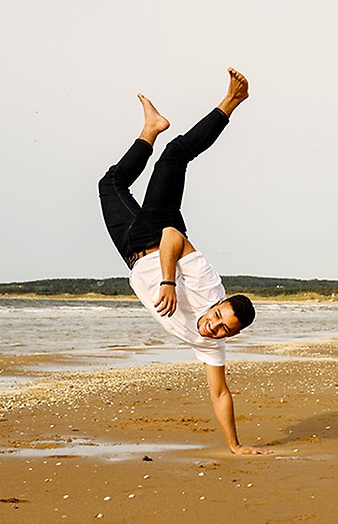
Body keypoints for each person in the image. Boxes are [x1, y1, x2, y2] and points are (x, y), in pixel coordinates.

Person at [98, 67, 271, 456]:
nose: (213, 328)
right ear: (220, 304)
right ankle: (231, 102)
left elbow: (220, 393)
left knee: (110, 184)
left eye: (223, 330)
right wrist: (168, 282)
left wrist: (235, 447)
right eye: (220, 317)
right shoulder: (209, 288)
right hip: (156, 235)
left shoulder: (210, 346)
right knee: (175, 155)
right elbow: (173, 237)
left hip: (129, 251)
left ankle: (151, 127)